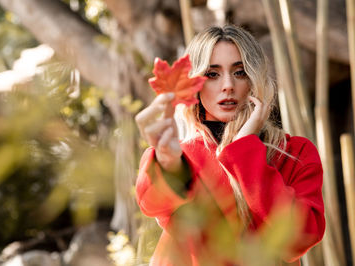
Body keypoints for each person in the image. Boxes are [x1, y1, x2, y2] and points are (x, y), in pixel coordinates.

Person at [135, 25, 325, 266]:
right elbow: (152, 204)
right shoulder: (180, 157)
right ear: (195, 83)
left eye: (240, 72)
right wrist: (169, 164)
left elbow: (299, 237)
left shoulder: (295, 153)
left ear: (255, 78)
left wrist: (246, 152)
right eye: (212, 74)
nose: (228, 85)